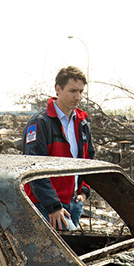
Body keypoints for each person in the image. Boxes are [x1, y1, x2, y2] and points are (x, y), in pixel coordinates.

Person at [22, 66, 94, 230]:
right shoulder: (40, 123)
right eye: (72, 91)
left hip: (74, 203)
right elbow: (33, 168)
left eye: (81, 91)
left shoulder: (82, 123)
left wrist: (84, 191)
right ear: (58, 89)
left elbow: (89, 159)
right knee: (71, 252)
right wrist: (52, 206)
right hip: (46, 206)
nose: (78, 97)